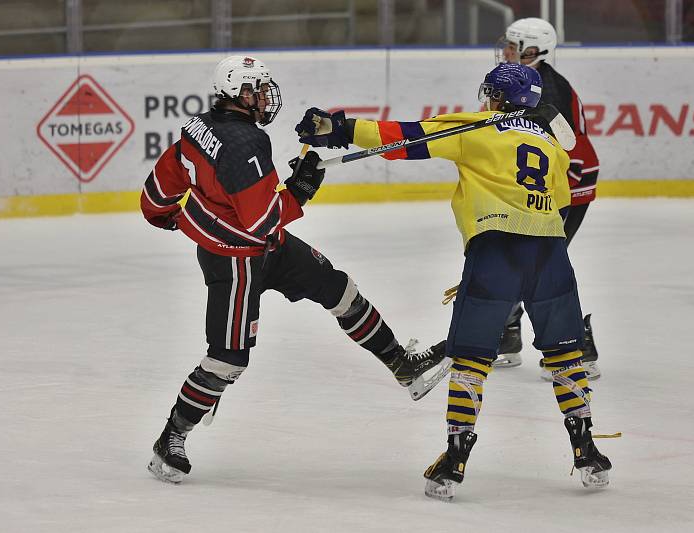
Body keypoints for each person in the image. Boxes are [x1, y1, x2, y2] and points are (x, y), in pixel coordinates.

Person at [296, 62, 612, 501]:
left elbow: (405, 137)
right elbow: (559, 202)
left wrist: (339, 129)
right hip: (550, 253)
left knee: (471, 361)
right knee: (565, 355)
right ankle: (587, 452)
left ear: (499, 98)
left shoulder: (479, 126)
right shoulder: (553, 146)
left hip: (495, 252)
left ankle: (454, 461)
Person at [140, 55, 448, 484]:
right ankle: (170, 437)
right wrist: (301, 190)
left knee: (340, 291)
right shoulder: (246, 144)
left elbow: (157, 194)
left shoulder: (200, 127)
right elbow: (263, 219)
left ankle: (402, 365)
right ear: (241, 94)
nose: (267, 97)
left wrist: (165, 215)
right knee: (227, 360)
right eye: (260, 89)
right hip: (234, 261)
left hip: (268, 248)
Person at [493, 17, 601, 380]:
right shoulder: (521, 81)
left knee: (543, 266)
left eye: (513, 47)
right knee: (517, 260)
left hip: (568, 186)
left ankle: (578, 347)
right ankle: (507, 336)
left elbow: (559, 153)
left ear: (534, 52)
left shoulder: (547, 92)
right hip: (546, 185)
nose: (505, 52)